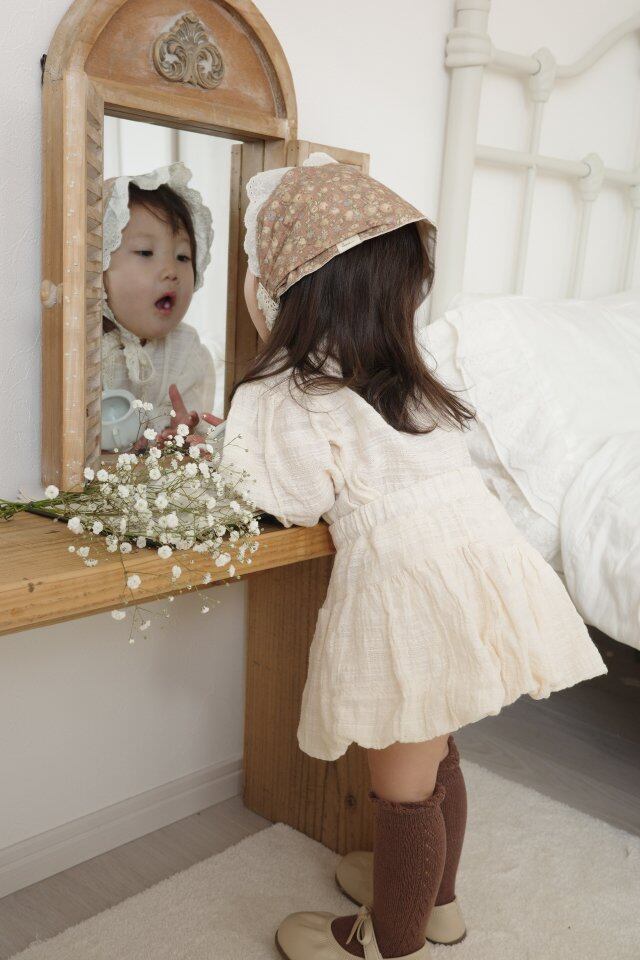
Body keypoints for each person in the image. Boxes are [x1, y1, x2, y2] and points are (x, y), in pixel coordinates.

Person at [199, 153, 607, 960]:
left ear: (282, 288)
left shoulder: (290, 391)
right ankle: (435, 905)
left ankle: (393, 942)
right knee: (437, 751)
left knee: (403, 791)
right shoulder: (414, 377)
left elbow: (291, 496)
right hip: (478, 570)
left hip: (406, 594)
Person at [101, 162, 216, 446]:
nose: (171, 271)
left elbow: (194, 425)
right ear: (97, 265)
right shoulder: (82, 349)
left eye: (183, 257)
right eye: (145, 252)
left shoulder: (185, 350)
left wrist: (183, 432)